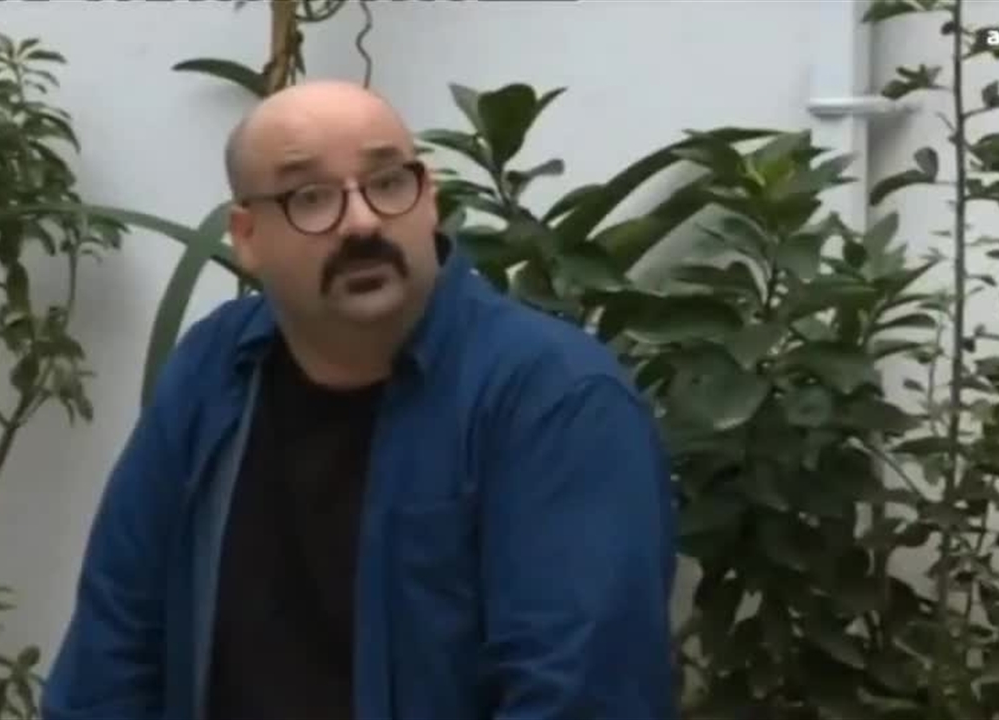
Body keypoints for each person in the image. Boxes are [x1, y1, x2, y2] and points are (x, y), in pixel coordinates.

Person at [42, 79, 677, 720]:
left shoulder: (555, 400)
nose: (363, 222)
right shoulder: (213, 370)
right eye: (311, 197)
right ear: (248, 236)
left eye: (388, 183)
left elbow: (579, 697)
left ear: (429, 200)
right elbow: (111, 654)